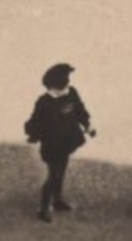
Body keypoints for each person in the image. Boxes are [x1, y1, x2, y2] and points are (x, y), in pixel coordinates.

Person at [23, 63, 94, 222]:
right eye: (64, 80)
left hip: (66, 142)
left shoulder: (71, 93)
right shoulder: (44, 102)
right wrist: (33, 134)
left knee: (61, 171)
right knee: (54, 175)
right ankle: (44, 208)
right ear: (53, 84)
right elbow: (35, 122)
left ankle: (58, 200)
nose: (67, 83)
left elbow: (80, 111)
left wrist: (88, 126)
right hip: (52, 145)